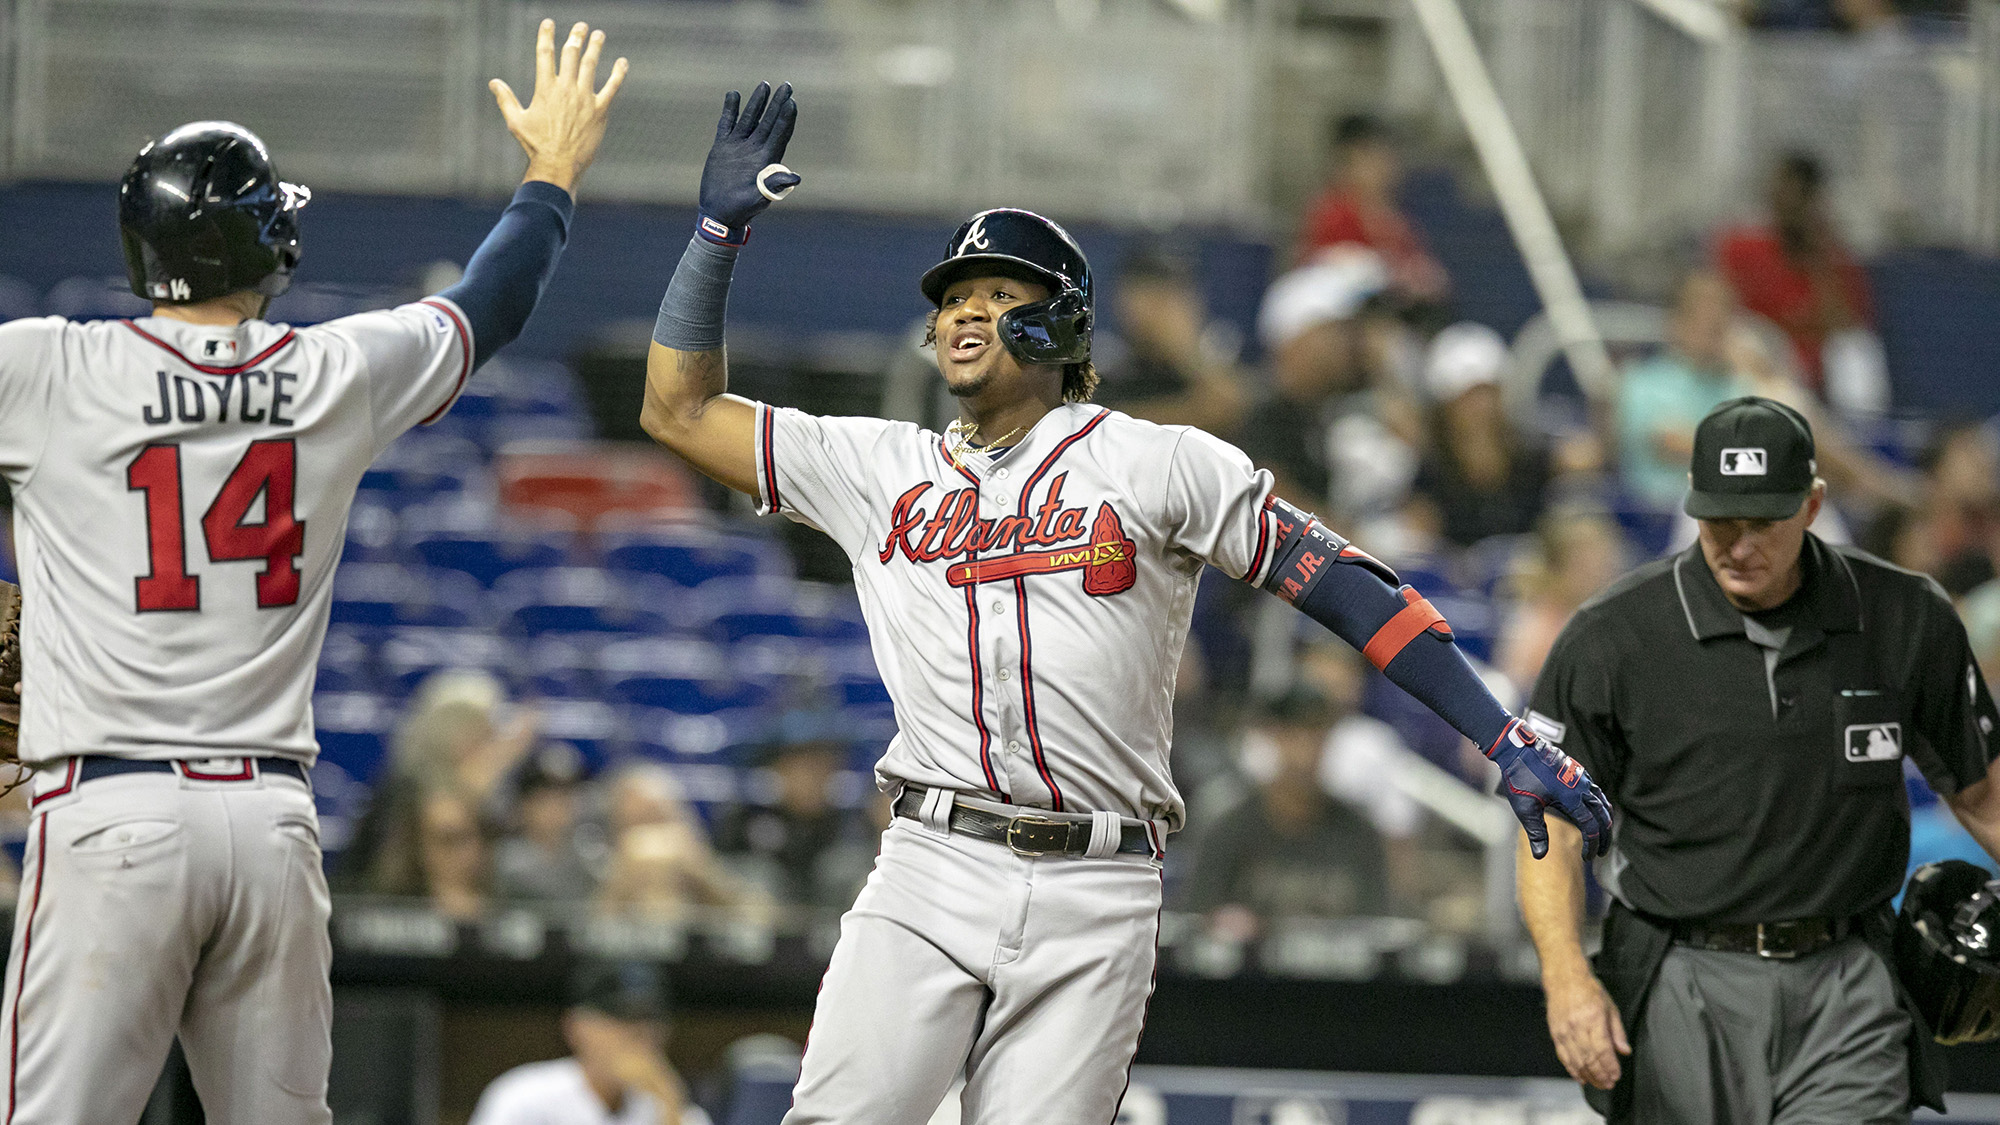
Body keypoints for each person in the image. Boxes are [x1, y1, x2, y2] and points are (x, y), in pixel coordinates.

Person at [638, 80, 1610, 1125]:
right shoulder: (876, 466)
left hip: (1097, 884)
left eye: (997, 292)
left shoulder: (1156, 463)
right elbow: (676, 409)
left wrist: (1496, 729)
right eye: (953, 296)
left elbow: (1342, 584)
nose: (964, 309)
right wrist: (713, 238)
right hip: (929, 862)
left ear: (1059, 325)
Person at [0, 21, 626, 1123]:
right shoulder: (329, 373)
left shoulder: (48, 367)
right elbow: (494, 302)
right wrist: (552, 174)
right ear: (261, 249)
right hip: (270, 829)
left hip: (112, 812)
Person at [1518, 396, 2000, 1123]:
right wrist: (1565, 975)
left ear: (1811, 505)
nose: (1738, 544)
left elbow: (1982, 792)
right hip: (1683, 974)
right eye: (1720, 520)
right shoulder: (1613, 637)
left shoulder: (1904, 616)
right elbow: (1546, 821)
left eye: (1762, 522)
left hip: (1848, 978)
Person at [1181, 686, 1392, 936]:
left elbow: (1377, 926)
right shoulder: (1231, 830)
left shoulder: (1359, 833)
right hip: (1250, 974)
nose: (1306, 750)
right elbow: (1198, 919)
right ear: (1274, 737)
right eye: (1295, 734)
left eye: (1317, 734)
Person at [1714, 153, 1880, 405]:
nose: (1788, 205)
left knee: (1856, 351)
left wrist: (1818, 260)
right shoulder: (1741, 247)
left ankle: (1860, 426)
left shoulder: (1833, 257)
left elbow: (1847, 326)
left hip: (1812, 376)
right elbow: (1722, 309)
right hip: (1752, 363)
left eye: (1798, 196)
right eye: (1782, 193)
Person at [468, 960, 710, 1125]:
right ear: (576, 1027)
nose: (638, 1033)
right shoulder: (525, 1097)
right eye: (621, 1017)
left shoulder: (673, 1107)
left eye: (648, 1019)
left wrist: (671, 1108)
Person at [1616, 271, 1753, 511]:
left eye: (1722, 311)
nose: (1715, 320)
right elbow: (1671, 445)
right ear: (1676, 322)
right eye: (1703, 312)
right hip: (1664, 511)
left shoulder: (1738, 381)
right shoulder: (1644, 380)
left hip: (1735, 505)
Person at [1294, 113, 1451, 308]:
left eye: (1387, 156)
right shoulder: (1331, 213)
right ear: (1346, 162)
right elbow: (1336, 278)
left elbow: (1429, 279)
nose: (1383, 166)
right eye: (1371, 157)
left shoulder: (1399, 222)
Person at [714, 733, 879, 910]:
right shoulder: (748, 814)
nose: (814, 779)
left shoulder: (847, 821)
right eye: (806, 768)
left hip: (830, 923)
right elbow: (719, 868)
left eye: (823, 769)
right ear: (780, 770)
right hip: (759, 919)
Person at [494, 741, 602, 903]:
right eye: (546, 799)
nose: (557, 808)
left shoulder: (589, 856)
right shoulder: (505, 860)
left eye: (565, 797)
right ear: (524, 805)